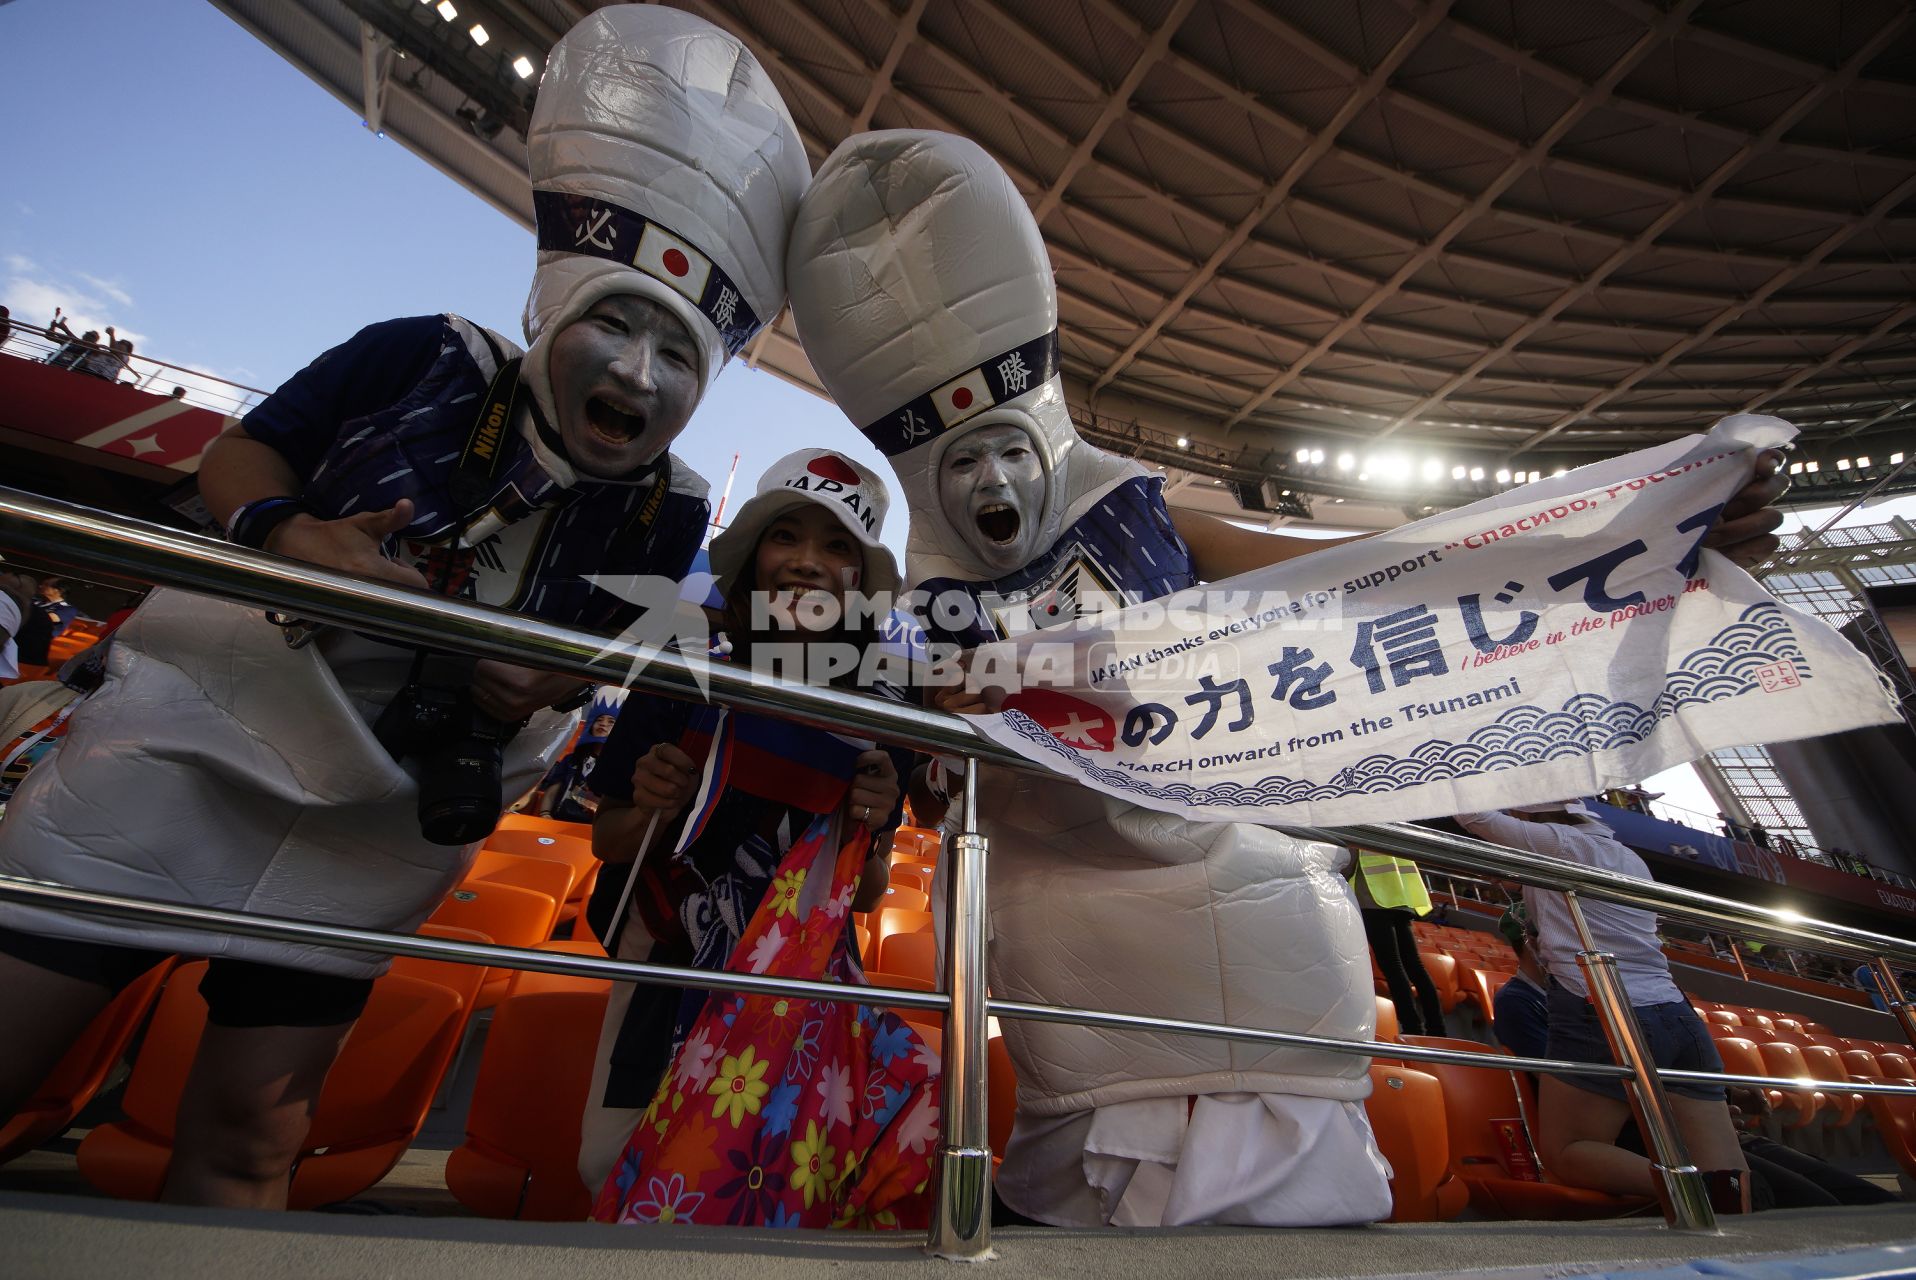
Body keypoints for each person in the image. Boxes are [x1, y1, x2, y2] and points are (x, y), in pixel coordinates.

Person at [787, 130, 1788, 1230]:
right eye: (954, 454)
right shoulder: (926, 617)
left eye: (1002, 442)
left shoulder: (1155, 520)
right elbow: (939, 794)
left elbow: (1403, 574)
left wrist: (1643, 537)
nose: (987, 477)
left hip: (1265, 943)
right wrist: (948, 721)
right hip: (1079, 969)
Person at [0, 5, 808, 1211]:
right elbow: (245, 451)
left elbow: (598, 642)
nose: (641, 373)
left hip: (378, 821)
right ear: (552, 307)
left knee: (247, 1143)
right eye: (615, 322)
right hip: (190, 742)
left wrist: (548, 678)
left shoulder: (674, 505)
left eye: (679, 352)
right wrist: (288, 534)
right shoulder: (420, 353)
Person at [579, 448, 915, 1203]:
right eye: (785, 536)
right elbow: (609, 841)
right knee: (619, 1168)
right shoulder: (684, 662)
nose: (807, 562)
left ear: (860, 580)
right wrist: (656, 806)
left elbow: (864, 894)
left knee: (770, 1188)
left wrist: (871, 821)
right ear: (754, 555)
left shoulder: (881, 711)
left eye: (837, 547)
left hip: (803, 993)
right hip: (666, 967)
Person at [1458, 803, 1750, 1213]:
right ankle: (1730, 1207)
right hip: (1674, 1010)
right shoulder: (1630, 857)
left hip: (1599, 1004)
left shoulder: (1561, 843)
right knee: (1724, 1163)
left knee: (1569, 1151)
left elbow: (1476, 817)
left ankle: (1696, 1190)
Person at [1351, 850, 1448, 1037]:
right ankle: (1437, 1029)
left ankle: (1412, 1028)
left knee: (1393, 967)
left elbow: (1348, 862)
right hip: (1400, 900)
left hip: (1374, 900)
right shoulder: (1390, 821)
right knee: (1415, 967)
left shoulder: (1361, 823)